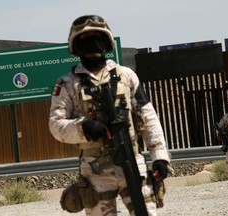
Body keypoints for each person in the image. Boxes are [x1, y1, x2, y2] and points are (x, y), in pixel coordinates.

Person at [49, 14, 172, 216]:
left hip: (131, 160)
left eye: (97, 36)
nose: (91, 42)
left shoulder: (126, 76)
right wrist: (83, 127)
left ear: (106, 41)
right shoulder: (67, 84)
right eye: (84, 39)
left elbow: (149, 118)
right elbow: (55, 125)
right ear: (75, 45)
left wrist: (159, 157)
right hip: (95, 170)